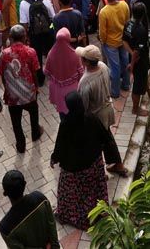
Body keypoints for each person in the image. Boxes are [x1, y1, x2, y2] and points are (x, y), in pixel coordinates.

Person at [50, 92, 113, 230]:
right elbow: (105, 138)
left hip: (73, 170)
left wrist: (54, 158)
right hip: (93, 166)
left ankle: (69, 216)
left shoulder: (66, 124)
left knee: (68, 191)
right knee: (93, 190)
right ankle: (98, 211)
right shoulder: (91, 118)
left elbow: (60, 147)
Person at [75, 45, 127, 176]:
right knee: (108, 138)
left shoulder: (85, 82)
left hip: (96, 117)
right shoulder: (103, 66)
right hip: (108, 108)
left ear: (86, 62)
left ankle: (101, 174)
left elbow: (84, 106)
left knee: (96, 144)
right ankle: (118, 165)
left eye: (82, 58)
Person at [0, 25, 43, 154]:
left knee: (16, 122)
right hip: (29, 93)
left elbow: (2, 74)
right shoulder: (30, 52)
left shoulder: (4, 54)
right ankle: (35, 134)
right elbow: (35, 72)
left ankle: (21, 145)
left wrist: (7, 90)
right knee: (34, 114)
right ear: (24, 37)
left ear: (11, 38)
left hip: (13, 96)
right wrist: (35, 88)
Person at [0, 170, 60, 249]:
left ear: (5, 194)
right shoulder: (40, 198)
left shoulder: (5, 227)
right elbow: (52, 225)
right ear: (24, 184)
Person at [98, 0, 131, 99]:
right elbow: (128, 22)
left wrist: (103, 41)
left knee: (115, 68)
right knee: (125, 62)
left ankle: (115, 92)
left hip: (111, 43)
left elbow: (102, 32)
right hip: (123, 41)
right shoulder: (124, 5)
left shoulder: (104, 11)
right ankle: (126, 85)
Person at [43, 28, 84, 119]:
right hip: (73, 91)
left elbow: (47, 72)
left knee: (62, 116)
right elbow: (81, 73)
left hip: (58, 90)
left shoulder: (51, 53)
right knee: (75, 114)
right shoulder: (75, 54)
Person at [20, 0, 56, 70]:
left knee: (36, 56)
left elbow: (24, 23)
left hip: (33, 34)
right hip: (47, 32)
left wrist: (26, 37)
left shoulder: (23, 3)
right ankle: (52, 71)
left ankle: (40, 77)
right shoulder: (46, 0)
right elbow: (53, 17)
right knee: (49, 53)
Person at [123, 2, 150, 117]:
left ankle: (148, 90)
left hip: (133, 57)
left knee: (142, 79)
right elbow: (136, 52)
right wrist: (132, 64)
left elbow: (124, 41)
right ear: (144, 13)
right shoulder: (141, 30)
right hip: (139, 61)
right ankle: (135, 109)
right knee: (137, 85)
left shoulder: (128, 24)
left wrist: (130, 55)